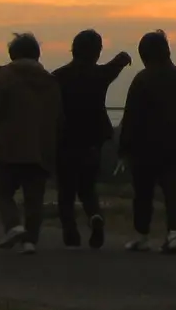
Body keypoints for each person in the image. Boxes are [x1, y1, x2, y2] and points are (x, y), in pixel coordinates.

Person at [117, 30, 176, 254]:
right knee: (172, 189)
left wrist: (124, 147)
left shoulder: (142, 79)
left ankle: (142, 235)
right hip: (174, 144)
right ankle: (175, 233)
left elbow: (131, 117)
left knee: (143, 193)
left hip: (144, 147)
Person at [0, 32, 63, 254]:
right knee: (34, 198)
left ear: (12, 54)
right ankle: (30, 242)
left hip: (7, 145)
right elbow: (58, 114)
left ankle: (13, 225)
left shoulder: (5, 75)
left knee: (4, 192)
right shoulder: (50, 81)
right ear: (37, 54)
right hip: (40, 148)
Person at [50, 28, 131, 248]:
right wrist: (122, 59)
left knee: (66, 190)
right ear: (97, 52)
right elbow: (113, 68)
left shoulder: (58, 76)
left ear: (73, 49)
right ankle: (95, 215)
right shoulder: (99, 75)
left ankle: (70, 232)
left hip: (65, 140)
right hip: (93, 140)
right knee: (87, 187)